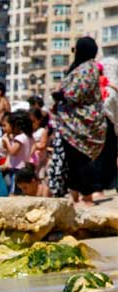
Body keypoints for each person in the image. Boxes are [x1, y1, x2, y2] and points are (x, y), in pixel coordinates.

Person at [47, 38, 108, 204]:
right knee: (72, 162)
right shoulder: (81, 68)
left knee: (82, 161)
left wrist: (60, 95)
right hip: (72, 125)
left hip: (82, 125)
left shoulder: (88, 68)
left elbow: (76, 93)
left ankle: (87, 197)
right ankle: (74, 197)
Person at [0, 111, 33, 193]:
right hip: (24, 167)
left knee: (14, 191)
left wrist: (6, 141)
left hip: (17, 169)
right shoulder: (28, 137)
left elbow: (13, 152)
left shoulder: (20, 138)